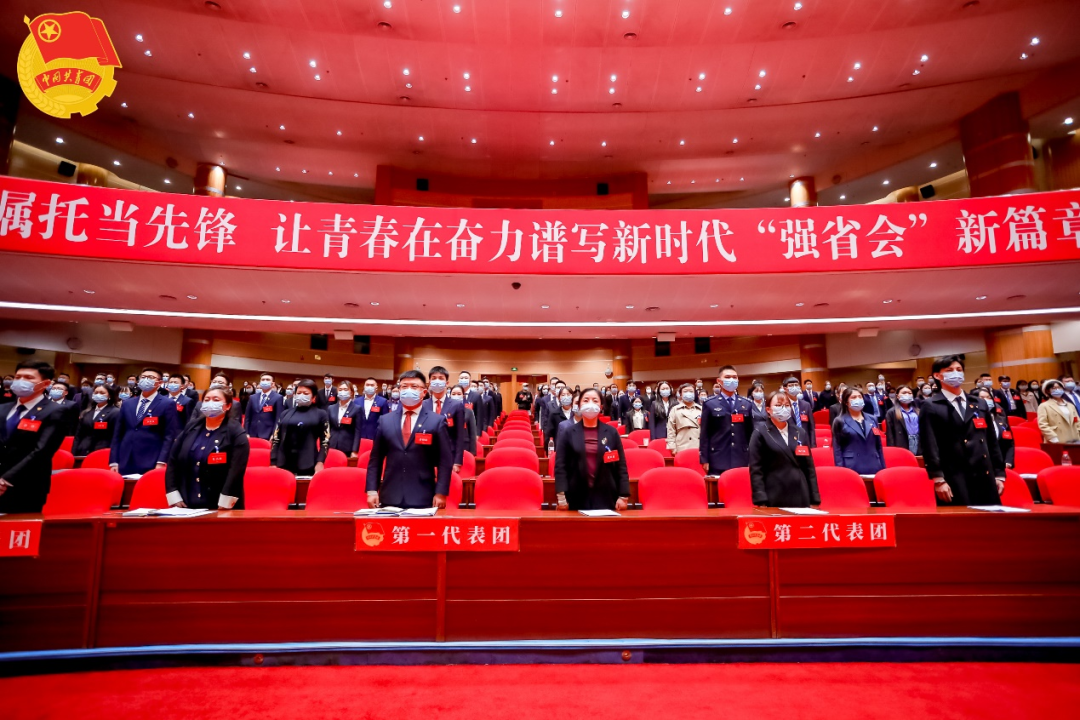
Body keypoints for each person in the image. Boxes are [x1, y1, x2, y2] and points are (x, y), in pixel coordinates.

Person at [919, 355, 1006, 506]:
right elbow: (929, 445)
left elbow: (991, 441)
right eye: (950, 370)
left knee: (992, 518)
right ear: (937, 376)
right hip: (954, 475)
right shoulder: (931, 405)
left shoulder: (978, 403)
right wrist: (938, 479)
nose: (956, 373)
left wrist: (999, 473)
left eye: (959, 370)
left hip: (984, 473)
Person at [366, 370, 454, 509]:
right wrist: (372, 490)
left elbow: (445, 461)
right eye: (404, 386)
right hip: (390, 494)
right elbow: (375, 459)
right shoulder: (385, 420)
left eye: (414, 386)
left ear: (424, 392)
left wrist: (441, 493)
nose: (408, 390)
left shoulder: (436, 421)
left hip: (424, 495)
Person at [165, 386, 249, 510]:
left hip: (220, 503)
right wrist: (173, 493)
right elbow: (173, 460)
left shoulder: (235, 432)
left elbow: (236, 470)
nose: (210, 403)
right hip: (187, 502)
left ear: (228, 406)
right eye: (207, 399)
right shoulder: (191, 427)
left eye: (216, 400)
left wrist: (225, 502)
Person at [0, 361, 69, 513]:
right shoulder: (3, 408)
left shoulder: (55, 411)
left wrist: (5, 479)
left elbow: (42, 451)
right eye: (18, 377)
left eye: (28, 378)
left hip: (26, 485)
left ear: (45, 384)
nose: (20, 381)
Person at [554, 388, 630, 512]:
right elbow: (560, 467)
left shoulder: (611, 432)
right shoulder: (568, 433)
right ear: (579, 406)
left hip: (606, 495)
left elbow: (621, 466)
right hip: (575, 496)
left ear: (601, 406)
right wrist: (561, 497)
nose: (590, 404)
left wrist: (623, 495)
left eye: (595, 400)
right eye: (586, 400)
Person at [749, 390, 820, 508]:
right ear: (768, 410)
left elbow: (809, 467)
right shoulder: (760, 433)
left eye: (787, 405)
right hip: (774, 492)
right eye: (778, 405)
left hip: (800, 492)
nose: (783, 408)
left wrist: (814, 498)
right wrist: (760, 500)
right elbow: (756, 470)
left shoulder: (800, 432)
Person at [109, 368, 182, 476]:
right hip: (125, 458)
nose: (146, 380)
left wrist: (162, 461)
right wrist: (114, 461)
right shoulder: (127, 403)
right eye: (143, 377)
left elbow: (169, 435)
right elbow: (117, 434)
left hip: (151, 458)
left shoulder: (167, 404)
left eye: (150, 377)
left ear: (159, 383)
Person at [700, 365, 753, 476]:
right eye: (728, 377)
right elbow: (705, 434)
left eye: (734, 377)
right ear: (719, 381)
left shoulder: (746, 403)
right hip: (718, 457)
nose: (732, 380)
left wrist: (752, 457)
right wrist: (704, 459)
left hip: (741, 457)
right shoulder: (710, 403)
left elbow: (750, 433)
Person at [270, 380, 330, 477]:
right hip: (283, 462)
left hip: (308, 463)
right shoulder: (285, 413)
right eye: (299, 393)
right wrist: (273, 461)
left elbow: (325, 442)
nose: (301, 395)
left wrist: (320, 462)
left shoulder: (321, 414)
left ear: (314, 397)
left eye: (305, 393)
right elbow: (276, 439)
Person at [831, 388, 886, 476]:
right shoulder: (839, 421)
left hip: (874, 464)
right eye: (853, 397)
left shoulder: (872, 419)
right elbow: (837, 449)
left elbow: (878, 446)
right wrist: (841, 471)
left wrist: (883, 467)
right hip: (852, 466)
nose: (858, 399)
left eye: (860, 397)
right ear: (846, 402)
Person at [423, 366, 465, 473]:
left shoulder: (456, 405)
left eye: (441, 378)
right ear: (429, 382)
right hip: (425, 455)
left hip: (449, 455)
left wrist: (457, 461)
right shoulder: (422, 405)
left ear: (447, 383)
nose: (437, 381)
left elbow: (460, 435)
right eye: (434, 378)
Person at [72, 384, 120, 456]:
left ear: (109, 395)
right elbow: (78, 435)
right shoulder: (86, 412)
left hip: (102, 451)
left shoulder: (115, 412)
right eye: (96, 392)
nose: (98, 395)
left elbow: (116, 436)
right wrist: (73, 453)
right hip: (83, 450)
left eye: (102, 393)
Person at [976, 387, 1015, 469]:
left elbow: (1009, 443)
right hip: (982, 465)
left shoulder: (1001, 418)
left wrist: (1008, 462)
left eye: (989, 398)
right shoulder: (972, 419)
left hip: (1002, 464)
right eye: (982, 398)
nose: (986, 400)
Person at [1036, 379, 1080, 445]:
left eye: (1059, 387)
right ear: (1047, 391)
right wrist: (1053, 439)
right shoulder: (1044, 406)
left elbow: (1077, 421)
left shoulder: (1070, 405)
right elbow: (1043, 425)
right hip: (1057, 439)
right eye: (1054, 388)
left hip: (1074, 438)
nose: (1057, 390)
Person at [327, 380, 361, 458]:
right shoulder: (331, 408)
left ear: (351, 392)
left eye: (345, 389)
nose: (343, 392)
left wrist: (354, 450)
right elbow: (328, 428)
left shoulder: (357, 409)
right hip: (332, 444)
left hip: (347, 446)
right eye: (340, 389)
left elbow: (357, 431)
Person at [244, 373, 284, 440]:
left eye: (267, 380)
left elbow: (278, 418)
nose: (265, 381)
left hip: (268, 434)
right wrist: (246, 432)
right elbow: (247, 417)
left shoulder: (278, 397)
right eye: (263, 380)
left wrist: (274, 434)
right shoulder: (253, 397)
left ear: (272, 384)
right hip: (252, 433)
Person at [885, 385, 921, 456]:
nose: (907, 395)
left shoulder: (918, 411)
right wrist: (892, 450)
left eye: (909, 393)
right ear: (897, 396)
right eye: (904, 393)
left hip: (919, 441)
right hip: (902, 442)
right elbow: (890, 434)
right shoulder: (891, 412)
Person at [666, 383, 701, 455]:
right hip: (682, 446)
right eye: (685, 391)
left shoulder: (701, 409)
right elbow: (671, 430)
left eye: (691, 391)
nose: (688, 393)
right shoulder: (675, 409)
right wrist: (672, 447)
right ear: (680, 395)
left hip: (699, 446)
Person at [782, 376, 817, 448]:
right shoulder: (783, 406)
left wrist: (813, 445)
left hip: (806, 443)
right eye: (791, 385)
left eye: (796, 385)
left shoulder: (806, 405)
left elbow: (811, 427)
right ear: (785, 389)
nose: (794, 387)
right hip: (790, 444)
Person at [356, 377, 388, 443]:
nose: (369, 387)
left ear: (376, 387)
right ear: (364, 386)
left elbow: (385, 421)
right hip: (359, 436)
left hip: (376, 437)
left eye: (372, 385)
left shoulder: (383, 401)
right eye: (367, 385)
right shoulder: (356, 401)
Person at [450, 384, 478, 456]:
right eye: (453, 394)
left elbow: (472, 433)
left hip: (465, 446)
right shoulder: (445, 411)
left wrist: (472, 452)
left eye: (459, 394)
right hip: (449, 447)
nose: (456, 396)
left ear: (463, 396)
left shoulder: (468, 411)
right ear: (450, 396)